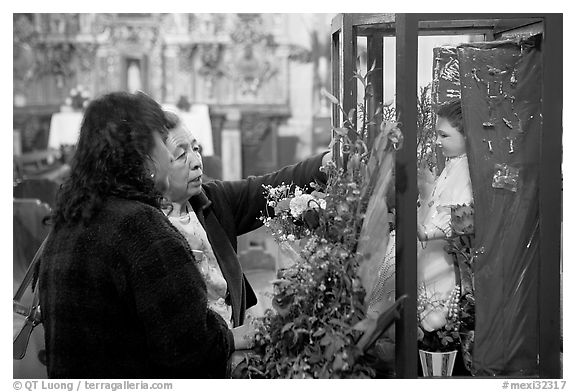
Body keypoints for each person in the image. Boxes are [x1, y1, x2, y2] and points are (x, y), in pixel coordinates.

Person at [37, 92, 239, 378]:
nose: (169, 157)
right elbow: (192, 354)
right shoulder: (143, 230)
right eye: (162, 142)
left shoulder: (70, 221)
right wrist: (230, 336)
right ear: (141, 153)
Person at [161, 111, 330, 330]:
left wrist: (325, 163)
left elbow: (271, 188)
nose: (196, 162)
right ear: (154, 166)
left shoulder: (212, 200)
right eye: (182, 154)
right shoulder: (150, 225)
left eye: (196, 148)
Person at [416, 99, 473, 331]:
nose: (437, 142)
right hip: (433, 252)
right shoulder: (452, 165)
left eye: (444, 135)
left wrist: (427, 232)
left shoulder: (468, 170)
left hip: (447, 257)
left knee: (437, 308)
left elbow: (462, 216)